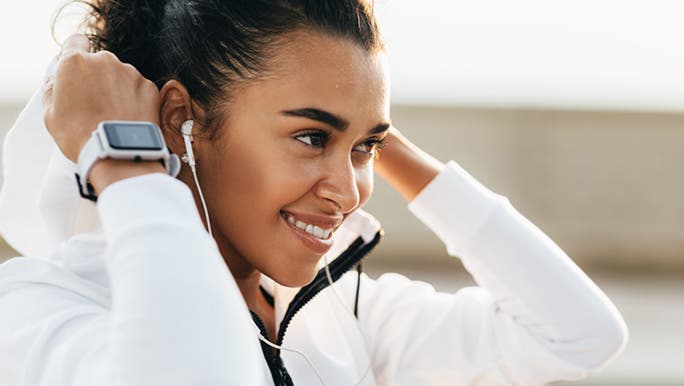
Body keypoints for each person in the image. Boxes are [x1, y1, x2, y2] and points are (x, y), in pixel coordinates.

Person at [0, 1, 627, 385]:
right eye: (309, 136)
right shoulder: (39, 309)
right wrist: (127, 159)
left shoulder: (339, 316)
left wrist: (367, 127)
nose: (351, 191)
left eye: (366, 149)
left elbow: (578, 334)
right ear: (177, 120)